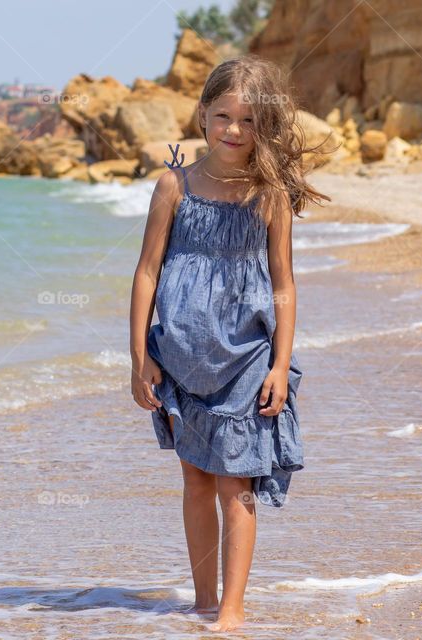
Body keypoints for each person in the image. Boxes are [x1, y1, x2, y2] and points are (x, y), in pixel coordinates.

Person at [129, 54, 334, 632]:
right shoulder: (174, 185)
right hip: (179, 356)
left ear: (263, 126)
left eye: (247, 120)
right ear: (202, 115)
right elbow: (146, 272)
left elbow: (284, 285)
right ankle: (201, 601)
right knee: (196, 478)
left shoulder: (269, 196)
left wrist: (280, 364)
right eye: (223, 116)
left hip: (246, 356)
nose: (234, 131)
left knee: (236, 483)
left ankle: (233, 609)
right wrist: (139, 355)